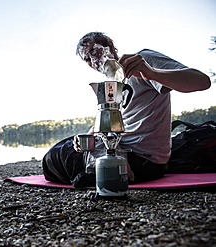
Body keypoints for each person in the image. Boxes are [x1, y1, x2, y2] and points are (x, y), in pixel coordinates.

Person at [42, 32, 211, 187]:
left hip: (143, 160)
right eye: (87, 59)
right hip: (121, 147)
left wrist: (150, 72)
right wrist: (86, 137)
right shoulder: (112, 83)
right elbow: (109, 124)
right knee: (61, 149)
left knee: (54, 159)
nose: (93, 62)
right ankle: (98, 171)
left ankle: (107, 173)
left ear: (108, 44)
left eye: (94, 52)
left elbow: (202, 81)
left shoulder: (142, 60)